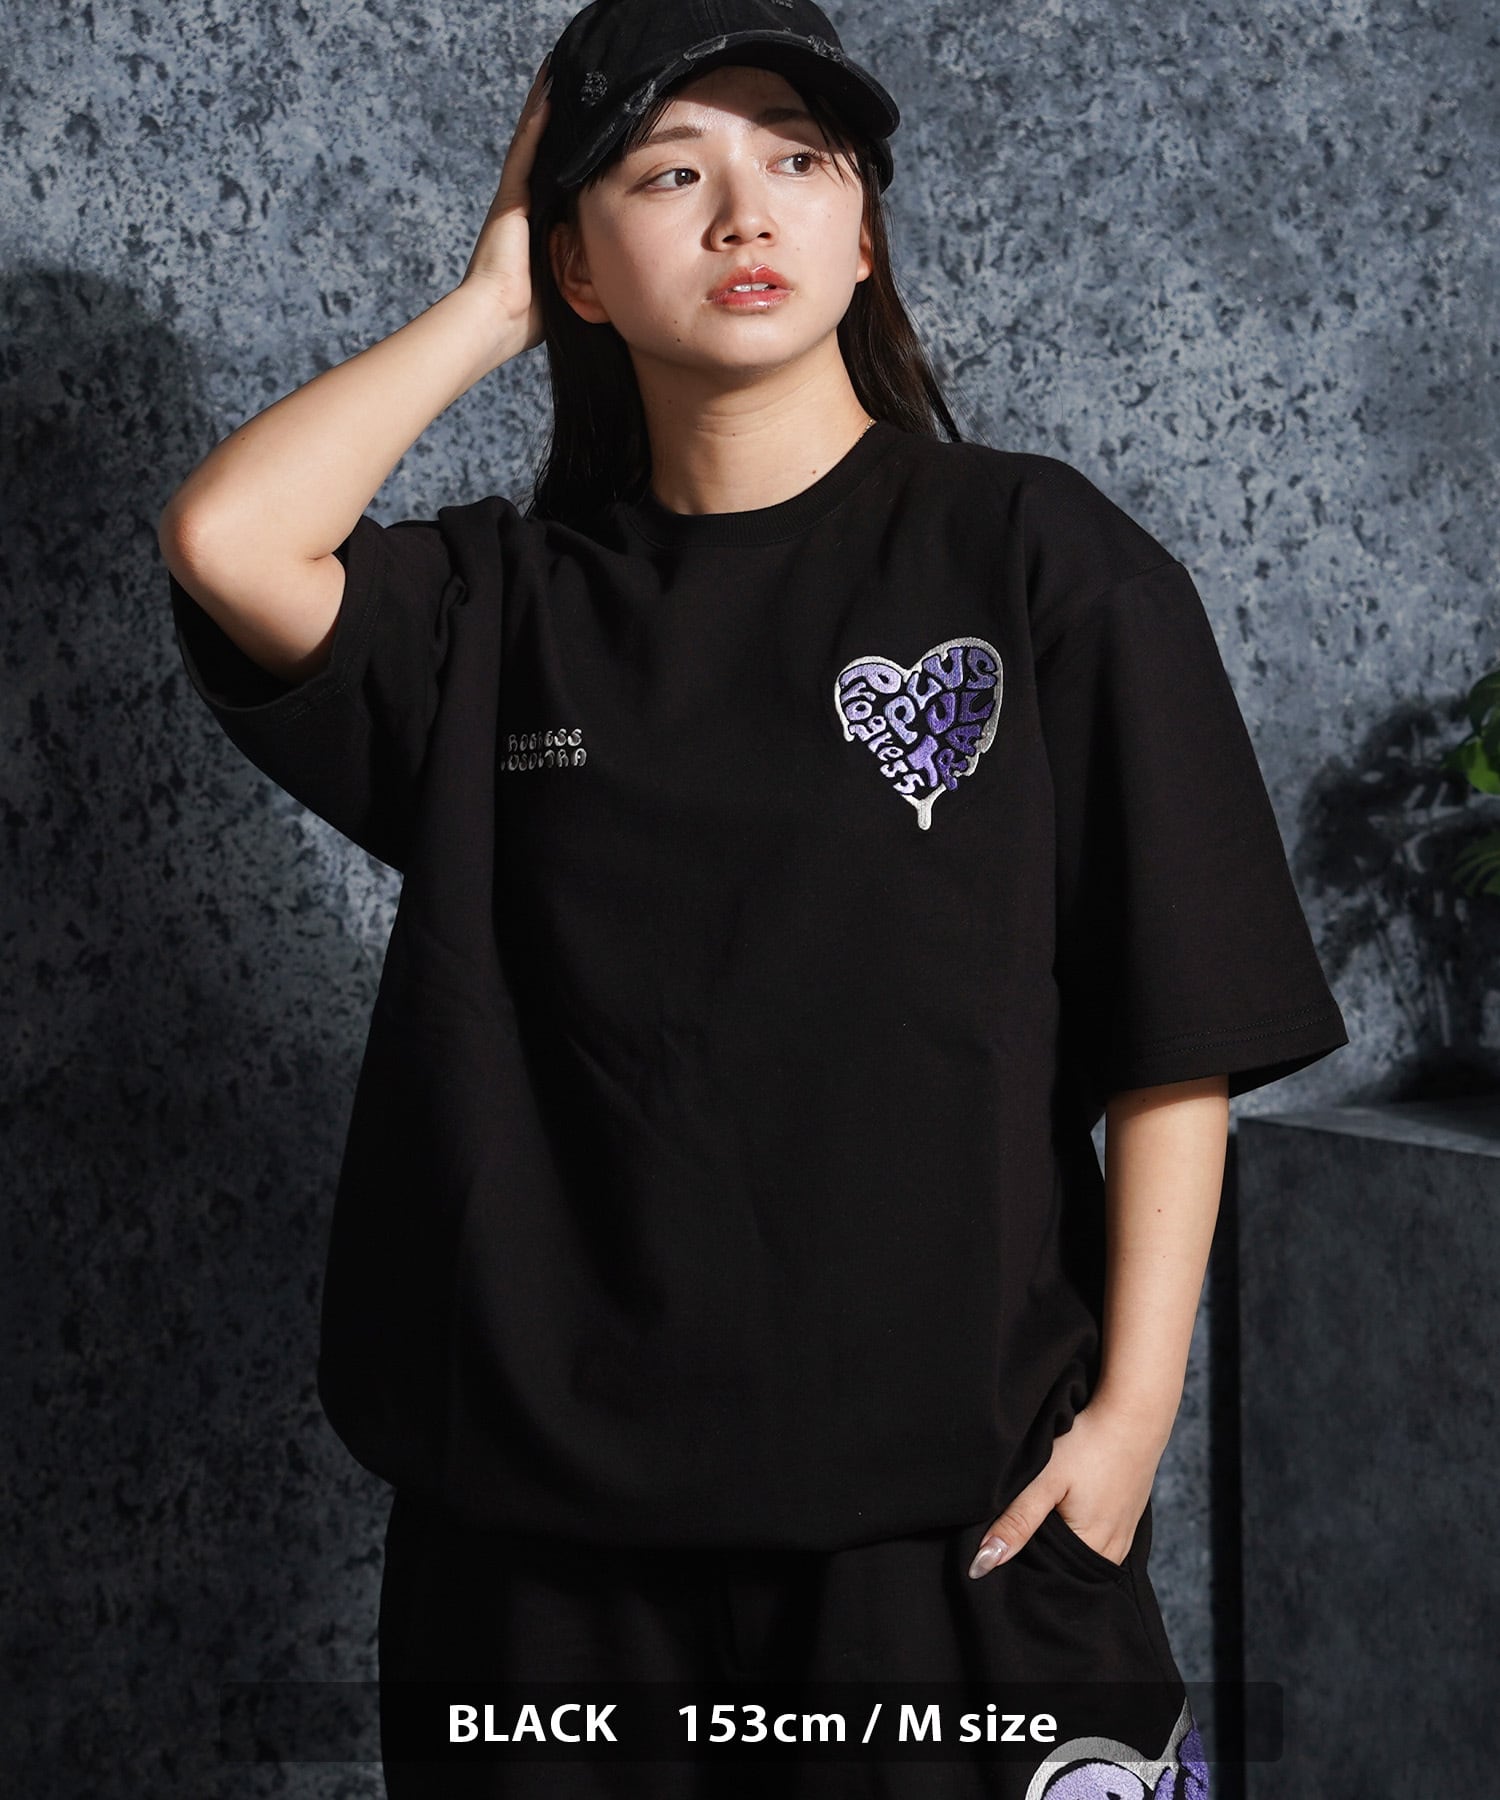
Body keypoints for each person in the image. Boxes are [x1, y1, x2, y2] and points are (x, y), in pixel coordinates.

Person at [157, 1, 1349, 1794]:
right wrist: (485, 307)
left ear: (864, 235)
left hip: (952, 1544)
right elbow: (229, 542)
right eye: (667, 173)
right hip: (544, 1575)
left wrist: (1132, 1419)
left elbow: (1172, 1027)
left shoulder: (1040, 560)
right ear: (576, 262)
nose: (746, 212)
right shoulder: (499, 613)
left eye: (800, 158)